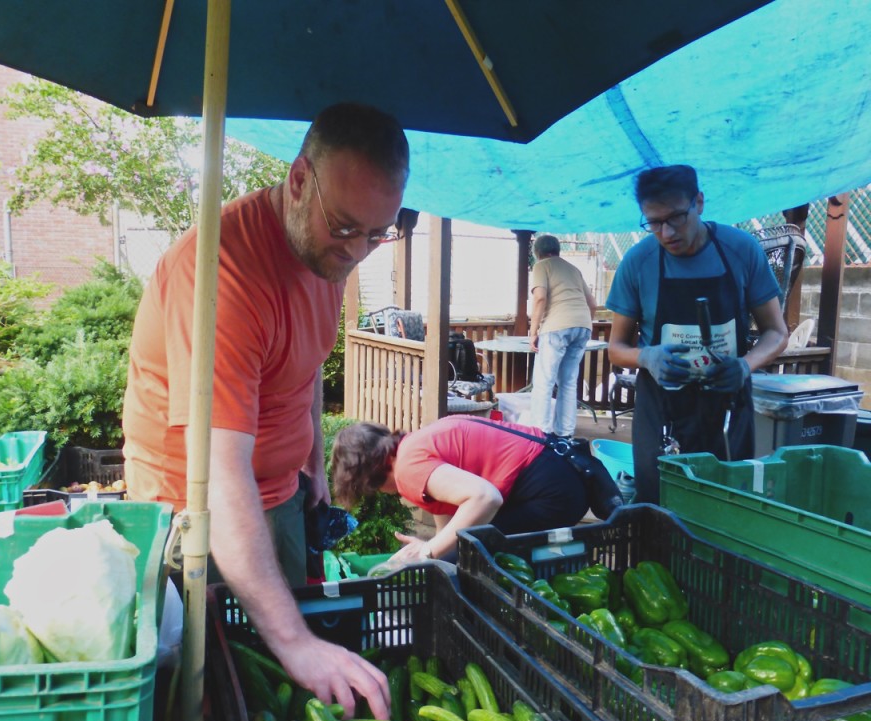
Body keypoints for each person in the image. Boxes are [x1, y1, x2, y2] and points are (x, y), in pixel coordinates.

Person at [122, 103, 410, 719]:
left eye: (378, 233)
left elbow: (302, 374)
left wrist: (310, 467)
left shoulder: (325, 251)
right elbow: (220, 477)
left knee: (279, 701)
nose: (358, 251)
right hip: (192, 507)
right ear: (300, 180)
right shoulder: (221, 275)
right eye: (346, 227)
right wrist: (296, 641)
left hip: (275, 491)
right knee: (211, 699)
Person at [606, 164, 788, 503]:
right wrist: (647, 356)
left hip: (727, 402)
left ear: (699, 203)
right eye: (653, 222)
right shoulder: (638, 261)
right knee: (659, 504)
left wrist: (746, 365)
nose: (666, 232)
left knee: (725, 499)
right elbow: (615, 348)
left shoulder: (740, 250)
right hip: (661, 406)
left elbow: (776, 332)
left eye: (675, 217)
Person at [331, 415, 589, 563]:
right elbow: (449, 523)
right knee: (457, 551)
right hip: (562, 476)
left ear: (371, 474)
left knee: (474, 553)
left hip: (550, 492)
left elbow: (486, 498)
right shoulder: (412, 447)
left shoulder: (407, 468)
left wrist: (428, 551)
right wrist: (433, 546)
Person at [527, 234, 597, 437]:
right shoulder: (573, 269)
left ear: (537, 252)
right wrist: (583, 323)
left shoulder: (542, 266)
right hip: (583, 326)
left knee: (544, 381)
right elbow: (592, 303)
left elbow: (540, 298)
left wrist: (533, 332)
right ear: (558, 250)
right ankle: (565, 433)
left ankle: (539, 433)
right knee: (568, 381)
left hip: (556, 327)